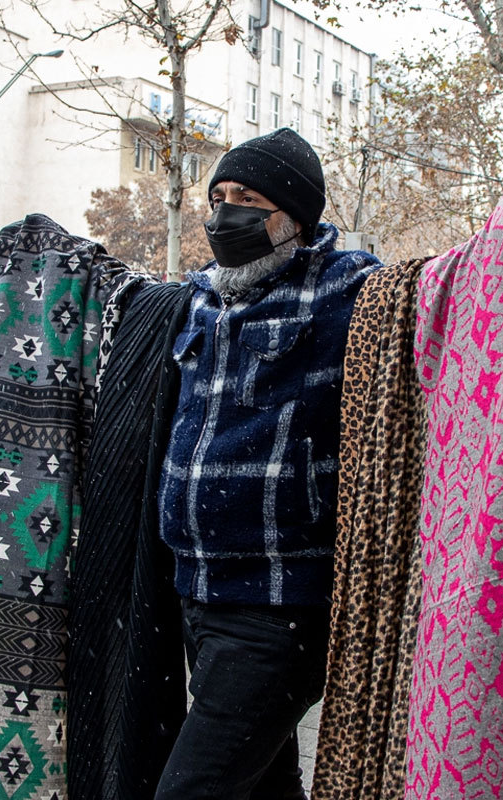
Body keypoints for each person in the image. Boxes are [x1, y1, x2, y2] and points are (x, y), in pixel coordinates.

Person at [154, 127, 380, 799]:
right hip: (197, 592)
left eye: (247, 199)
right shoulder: (198, 297)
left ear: (295, 217)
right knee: (263, 788)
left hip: (281, 607)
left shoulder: (347, 292)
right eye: (218, 196)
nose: (225, 215)